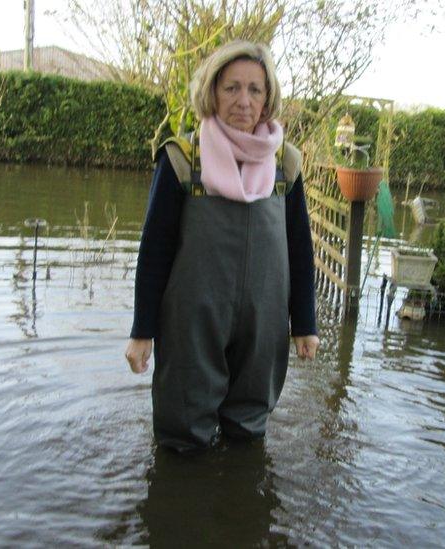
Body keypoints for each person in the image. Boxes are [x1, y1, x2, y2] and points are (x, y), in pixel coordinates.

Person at [124, 40, 320, 452]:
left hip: (263, 325)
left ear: (268, 99)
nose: (243, 101)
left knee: (248, 436)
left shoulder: (286, 164)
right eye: (231, 88)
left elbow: (300, 249)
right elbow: (154, 249)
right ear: (212, 91)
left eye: (254, 89)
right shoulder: (181, 159)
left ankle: (238, 507)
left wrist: (304, 323)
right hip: (191, 322)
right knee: (183, 437)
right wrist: (142, 331)